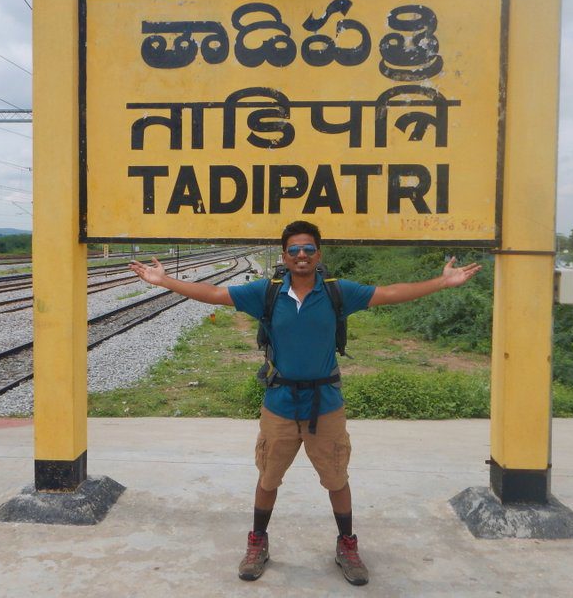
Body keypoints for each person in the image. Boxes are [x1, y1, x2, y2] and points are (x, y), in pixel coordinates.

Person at [128, 221, 481, 586]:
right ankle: (257, 542)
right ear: (284, 256)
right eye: (294, 250)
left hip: (325, 404)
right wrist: (165, 281)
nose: (301, 255)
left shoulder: (336, 292)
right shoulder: (267, 292)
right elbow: (216, 294)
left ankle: (347, 544)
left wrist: (442, 282)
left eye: (308, 249)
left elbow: (390, 293)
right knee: (268, 477)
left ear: (318, 255)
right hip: (279, 403)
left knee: (336, 478)